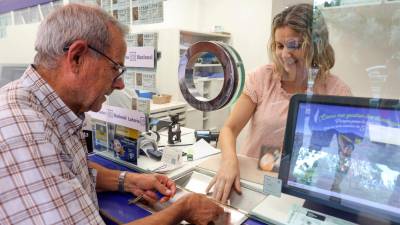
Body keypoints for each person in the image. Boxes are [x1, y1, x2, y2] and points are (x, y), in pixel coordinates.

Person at [0, 4, 223, 225]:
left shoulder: (47, 108)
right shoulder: (23, 129)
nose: (119, 84)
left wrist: (130, 181)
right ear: (77, 57)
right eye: (116, 68)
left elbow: (71, 171)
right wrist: (182, 210)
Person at [206, 3, 352, 203]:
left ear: (315, 45)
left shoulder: (336, 91)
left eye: (294, 45)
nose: (285, 54)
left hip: (303, 188)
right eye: (280, 45)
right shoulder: (262, 78)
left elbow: (346, 154)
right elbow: (229, 129)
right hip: (255, 182)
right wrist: (229, 161)